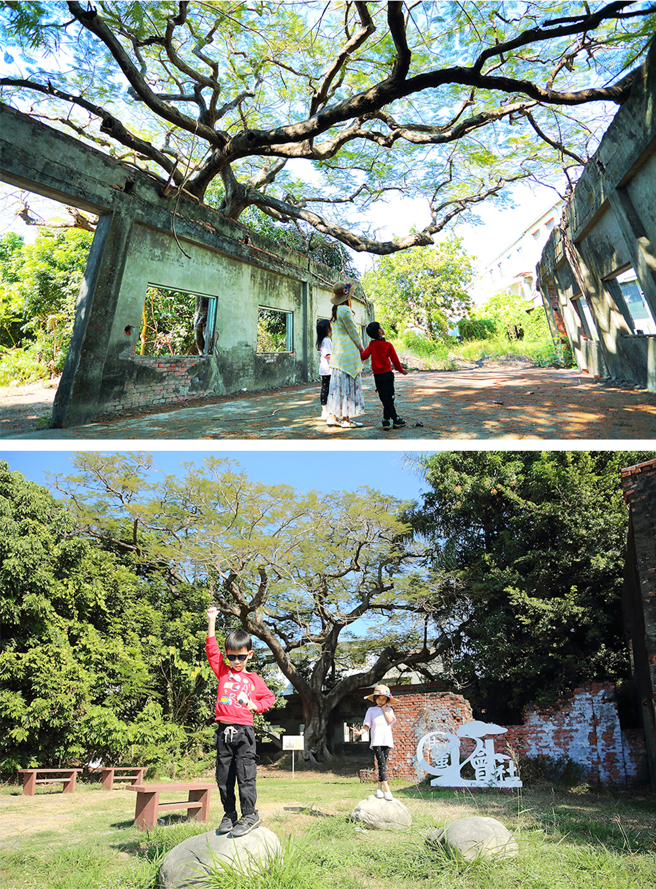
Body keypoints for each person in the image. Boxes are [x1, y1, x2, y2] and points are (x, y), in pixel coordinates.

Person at [206, 607, 275, 837]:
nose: (236, 661)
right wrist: (212, 620)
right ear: (227, 655)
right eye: (232, 657)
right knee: (224, 777)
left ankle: (250, 815)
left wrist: (256, 706)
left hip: (244, 732)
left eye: (241, 657)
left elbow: (269, 698)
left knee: (245, 775)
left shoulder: (253, 679)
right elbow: (211, 651)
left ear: (250, 655)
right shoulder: (223, 671)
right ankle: (229, 814)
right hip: (223, 731)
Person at [326, 281, 365, 429]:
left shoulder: (335, 311)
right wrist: (362, 349)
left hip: (337, 357)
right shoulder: (346, 311)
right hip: (347, 356)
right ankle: (346, 420)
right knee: (346, 388)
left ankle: (332, 416)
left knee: (337, 388)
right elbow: (353, 333)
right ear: (347, 296)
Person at [352, 684, 397, 800]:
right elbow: (367, 725)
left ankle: (379, 788)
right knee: (382, 765)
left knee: (383, 765)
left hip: (387, 741)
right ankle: (387, 790)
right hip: (377, 741)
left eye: (383, 699)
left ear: (387, 700)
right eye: (379, 698)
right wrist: (359, 732)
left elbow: (390, 720)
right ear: (375, 698)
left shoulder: (389, 710)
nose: (381, 700)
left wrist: (384, 709)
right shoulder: (371, 710)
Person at [360, 321, 407, 429]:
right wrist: (401, 370)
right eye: (381, 327)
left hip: (377, 376)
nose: (382, 328)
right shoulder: (387, 345)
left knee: (384, 398)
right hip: (387, 375)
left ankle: (395, 419)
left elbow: (364, 356)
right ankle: (387, 419)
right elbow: (395, 360)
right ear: (379, 331)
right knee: (389, 398)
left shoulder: (372, 345)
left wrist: (355, 352)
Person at [316, 318, 332, 420]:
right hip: (328, 369)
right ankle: (325, 411)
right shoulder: (326, 340)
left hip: (325, 369)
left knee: (326, 389)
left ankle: (326, 410)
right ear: (327, 329)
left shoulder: (324, 340)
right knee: (326, 389)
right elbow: (328, 355)